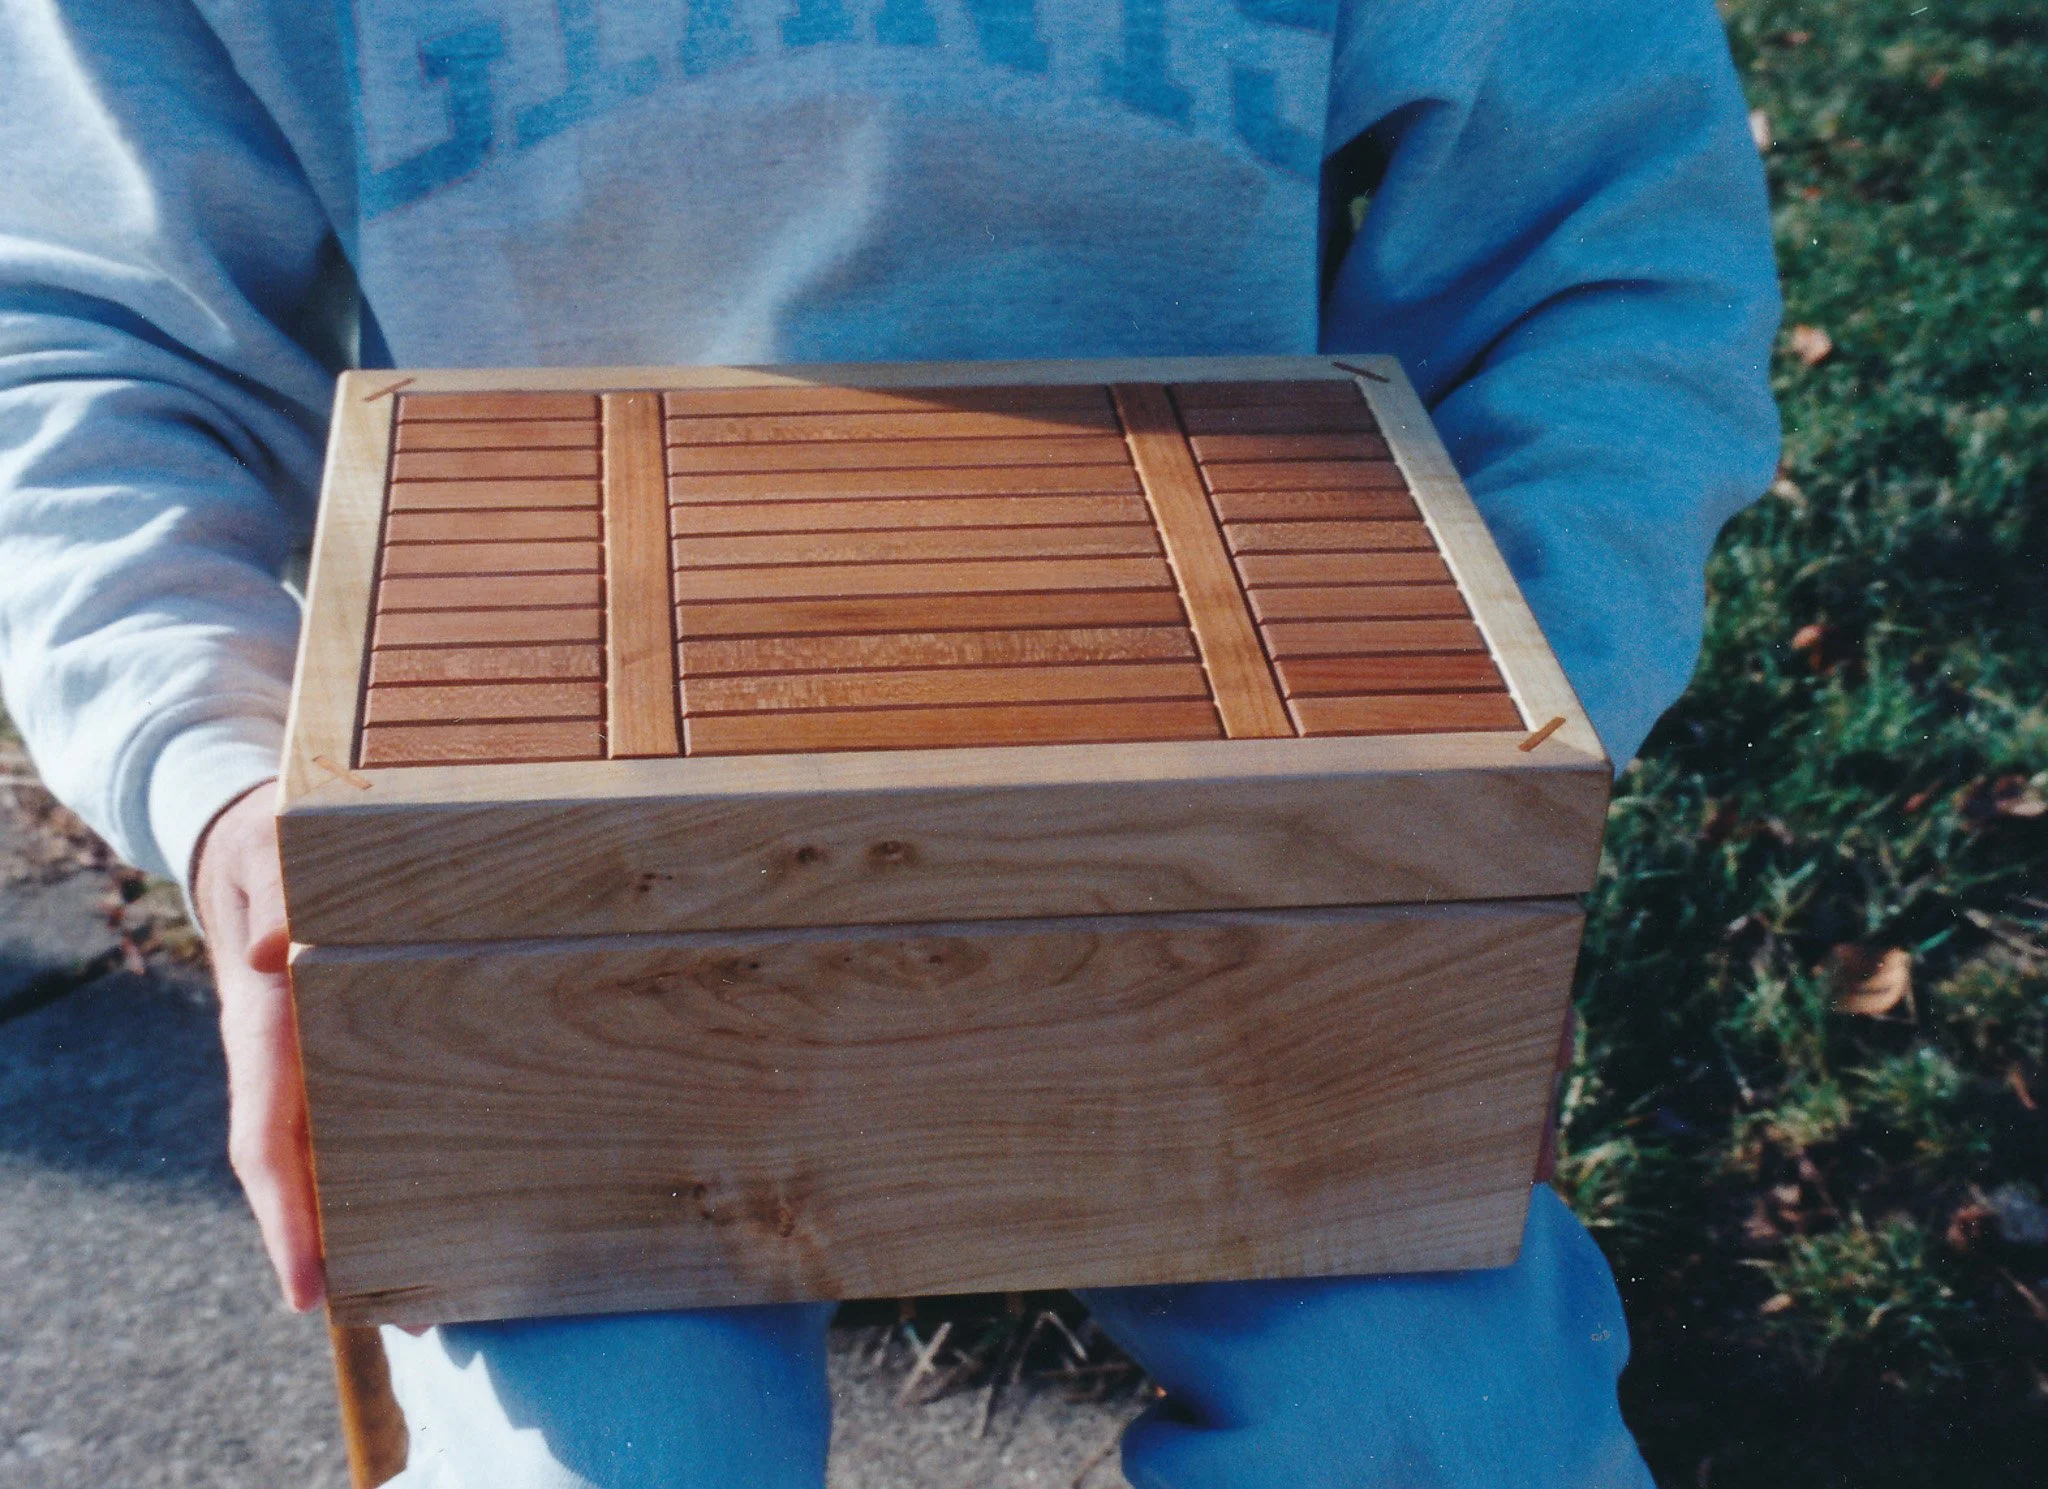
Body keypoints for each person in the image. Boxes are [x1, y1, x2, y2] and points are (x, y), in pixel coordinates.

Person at [0, 1, 1780, 1484]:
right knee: (619, 1456)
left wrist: (1482, 783)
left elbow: (1606, 254)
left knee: (1438, 1431)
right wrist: (231, 797)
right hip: (552, 874)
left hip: (1255, 854)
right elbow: (80, 339)